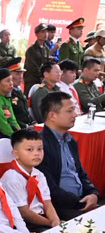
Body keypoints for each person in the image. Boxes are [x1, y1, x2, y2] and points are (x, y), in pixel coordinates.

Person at [37, 91, 99, 220]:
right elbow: (50, 190)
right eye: (70, 111)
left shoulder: (70, 140)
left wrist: (93, 193)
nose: (75, 114)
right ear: (52, 116)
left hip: (80, 202)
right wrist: (80, 202)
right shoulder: (40, 146)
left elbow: (81, 174)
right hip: (61, 208)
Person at [1, 129, 60, 233]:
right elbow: (24, 213)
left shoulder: (39, 174)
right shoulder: (12, 178)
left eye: (40, 149)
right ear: (15, 154)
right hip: (24, 223)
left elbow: (47, 203)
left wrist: (55, 220)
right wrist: (50, 223)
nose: (36, 154)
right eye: (29, 149)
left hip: (42, 217)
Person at [3, 58, 33, 130]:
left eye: (21, 73)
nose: (20, 77)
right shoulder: (6, 93)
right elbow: (9, 118)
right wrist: (26, 127)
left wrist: (33, 122)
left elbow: (25, 112)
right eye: (17, 74)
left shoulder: (18, 90)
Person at [25, 23, 52, 93]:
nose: (45, 34)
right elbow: (31, 66)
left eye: (46, 32)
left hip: (43, 79)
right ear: (36, 34)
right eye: (42, 32)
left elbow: (47, 64)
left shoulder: (46, 49)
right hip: (32, 80)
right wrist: (42, 75)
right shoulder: (31, 50)